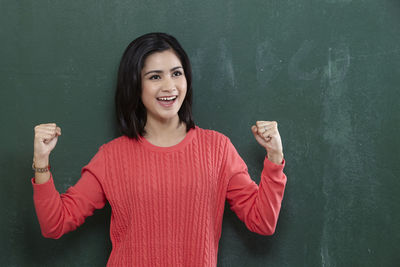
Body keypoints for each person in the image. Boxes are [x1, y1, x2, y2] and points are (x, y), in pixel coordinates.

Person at [31, 32, 287, 267]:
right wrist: (41, 161)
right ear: (135, 85)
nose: (169, 86)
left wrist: (274, 158)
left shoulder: (217, 149)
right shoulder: (111, 157)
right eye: (155, 77)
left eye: (177, 73)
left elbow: (262, 222)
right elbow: (56, 224)